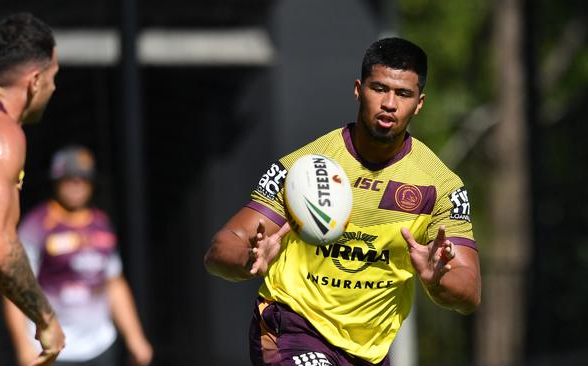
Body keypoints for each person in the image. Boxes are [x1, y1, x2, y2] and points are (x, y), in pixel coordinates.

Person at [204, 37, 481, 366]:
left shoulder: (439, 186)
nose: (389, 103)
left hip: (369, 353)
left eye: (403, 94)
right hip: (292, 326)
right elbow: (219, 251)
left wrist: (439, 281)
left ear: (419, 103)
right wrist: (247, 257)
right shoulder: (304, 168)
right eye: (379, 89)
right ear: (358, 89)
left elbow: (470, 292)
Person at [0, 12, 66, 364]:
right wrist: (45, 318)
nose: (55, 88)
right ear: (36, 80)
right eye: (55, 77)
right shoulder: (0, 132)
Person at [3, 146, 153, 366]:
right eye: (69, 179)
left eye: (83, 179)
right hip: (51, 349)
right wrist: (23, 346)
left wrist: (135, 337)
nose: (76, 185)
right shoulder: (36, 226)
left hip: (99, 347)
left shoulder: (101, 224)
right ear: (56, 180)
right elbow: (15, 287)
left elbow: (114, 284)